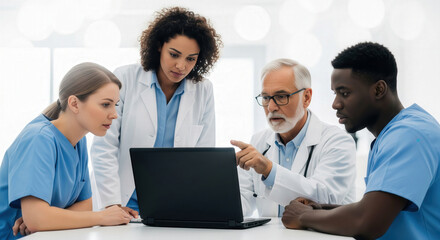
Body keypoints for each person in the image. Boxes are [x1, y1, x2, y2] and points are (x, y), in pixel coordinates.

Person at [282, 42, 440, 239]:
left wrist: (304, 217)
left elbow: (367, 222)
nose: (335, 104)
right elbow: (378, 208)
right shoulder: (394, 134)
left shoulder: (409, 135)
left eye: (345, 93)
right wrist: (321, 209)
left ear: (379, 90)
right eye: (335, 93)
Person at [91, 7, 222, 213]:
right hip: (123, 201)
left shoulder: (203, 90)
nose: (181, 66)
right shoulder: (125, 79)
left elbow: (203, 157)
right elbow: (104, 147)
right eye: (174, 54)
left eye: (191, 58)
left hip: (175, 203)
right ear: (159, 46)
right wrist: (112, 204)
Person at [0, 63, 132, 240]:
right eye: (106, 104)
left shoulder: (79, 140)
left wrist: (47, 217)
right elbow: (36, 220)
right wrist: (102, 216)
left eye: (115, 105)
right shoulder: (39, 139)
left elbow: (85, 204)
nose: (114, 114)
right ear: (74, 103)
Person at [231, 58, 357, 217]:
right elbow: (240, 202)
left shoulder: (337, 141)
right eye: (265, 97)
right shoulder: (259, 142)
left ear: (306, 97)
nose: (271, 107)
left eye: (281, 96)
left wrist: (269, 170)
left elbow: (324, 198)